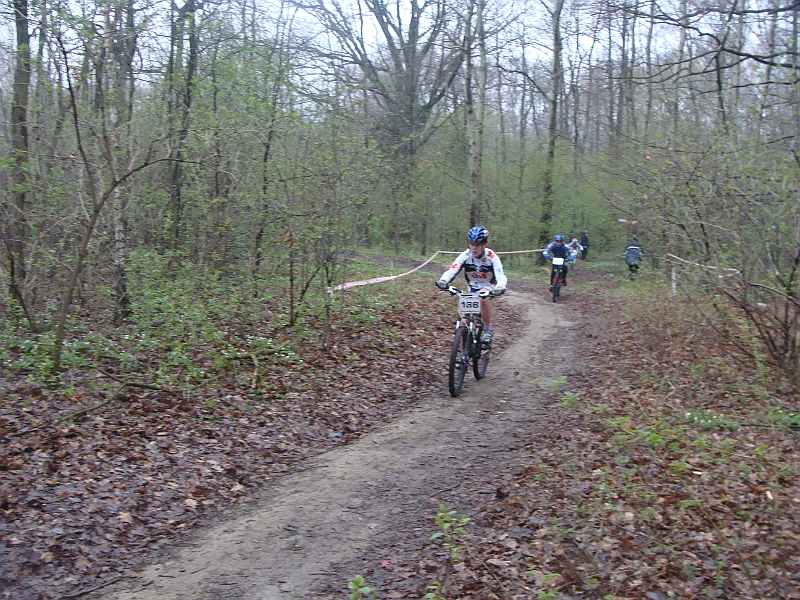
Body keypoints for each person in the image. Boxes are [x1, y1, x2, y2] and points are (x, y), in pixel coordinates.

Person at [436, 226, 507, 344]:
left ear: (485, 245)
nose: (474, 248)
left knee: (483, 299)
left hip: (489, 285)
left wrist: (500, 287)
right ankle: (463, 351)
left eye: (478, 245)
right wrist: (443, 281)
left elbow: (500, 275)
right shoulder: (465, 256)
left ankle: (488, 329)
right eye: (472, 244)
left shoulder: (492, 257)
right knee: (463, 321)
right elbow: (452, 270)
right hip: (472, 287)